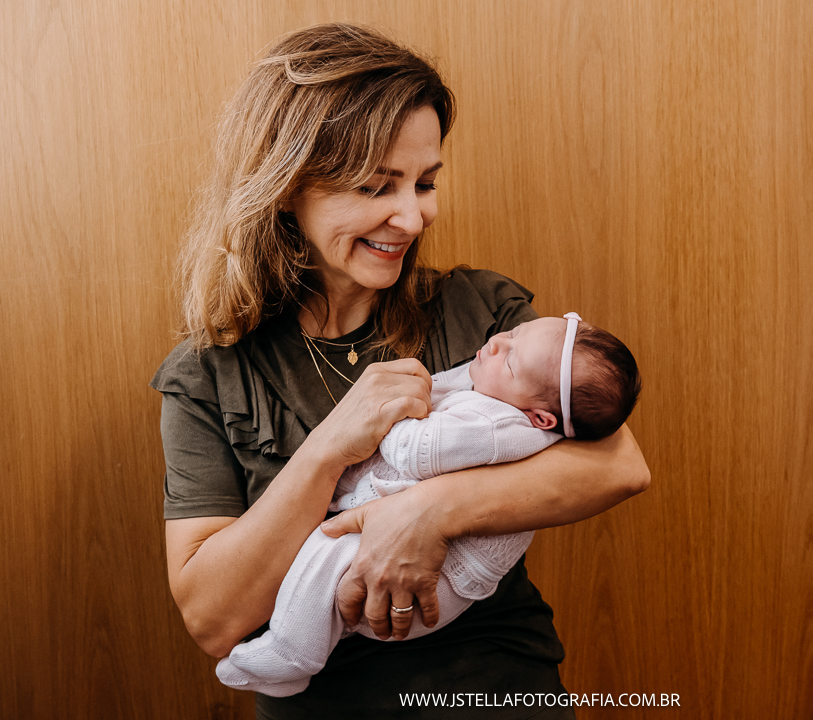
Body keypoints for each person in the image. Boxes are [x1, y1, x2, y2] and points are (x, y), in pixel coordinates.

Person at [152, 22, 649, 719]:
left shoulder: (481, 311)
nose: (413, 218)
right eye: (377, 186)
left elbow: (620, 466)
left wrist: (426, 513)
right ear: (286, 185)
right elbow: (212, 619)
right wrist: (331, 445)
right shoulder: (208, 376)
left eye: (425, 181)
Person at [216, 314, 642, 697]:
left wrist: (389, 413)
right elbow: (456, 382)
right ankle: (312, 636)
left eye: (510, 358)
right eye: (511, 333)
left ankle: (291, 656)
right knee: (328, 566)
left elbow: (416, 450)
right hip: (407, 592)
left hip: (428, 592)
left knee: (325, 552)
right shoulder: (509, 395)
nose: (496, 342)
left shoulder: (499, 425)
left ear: (542, 418)